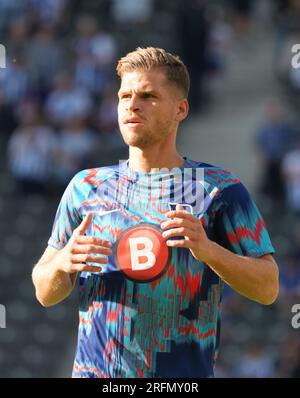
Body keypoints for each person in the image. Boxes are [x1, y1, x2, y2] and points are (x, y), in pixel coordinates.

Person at [32, 47, 279, 378]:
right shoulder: (85, 186)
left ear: (180, 109)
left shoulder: (217, 189)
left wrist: (209, 252)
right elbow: (45, 292)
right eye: (124, 96)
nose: (132, 105)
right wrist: (62, 264)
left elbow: (268, 287)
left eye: (147, 95)